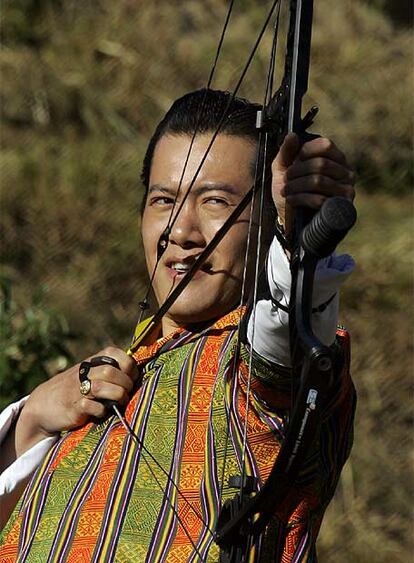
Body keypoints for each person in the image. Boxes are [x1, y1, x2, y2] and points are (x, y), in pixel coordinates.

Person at [0, 89, 356, 561]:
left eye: (214, 202)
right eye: (164, 200)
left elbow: (288, 330)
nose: (181, 231)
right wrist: (30, 421)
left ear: (267, 221)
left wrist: (299, 238)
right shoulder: (98, 387)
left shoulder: (257, 372)